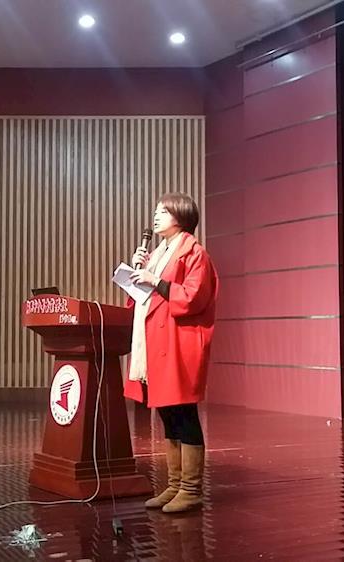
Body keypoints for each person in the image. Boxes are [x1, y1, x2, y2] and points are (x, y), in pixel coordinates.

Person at [126, 192, 218, 513]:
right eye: (156, 211)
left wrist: (154, 279)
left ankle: (191, 489)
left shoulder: (194, 253)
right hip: (156, 340)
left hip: (179, 342)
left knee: (183, 412)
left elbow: (193, 297)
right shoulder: (157, 253)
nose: (156, 216)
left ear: (181, 216)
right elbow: (143, 298)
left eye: (163, 211)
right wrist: (137, 271)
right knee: (166, 412)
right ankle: (175, 485)